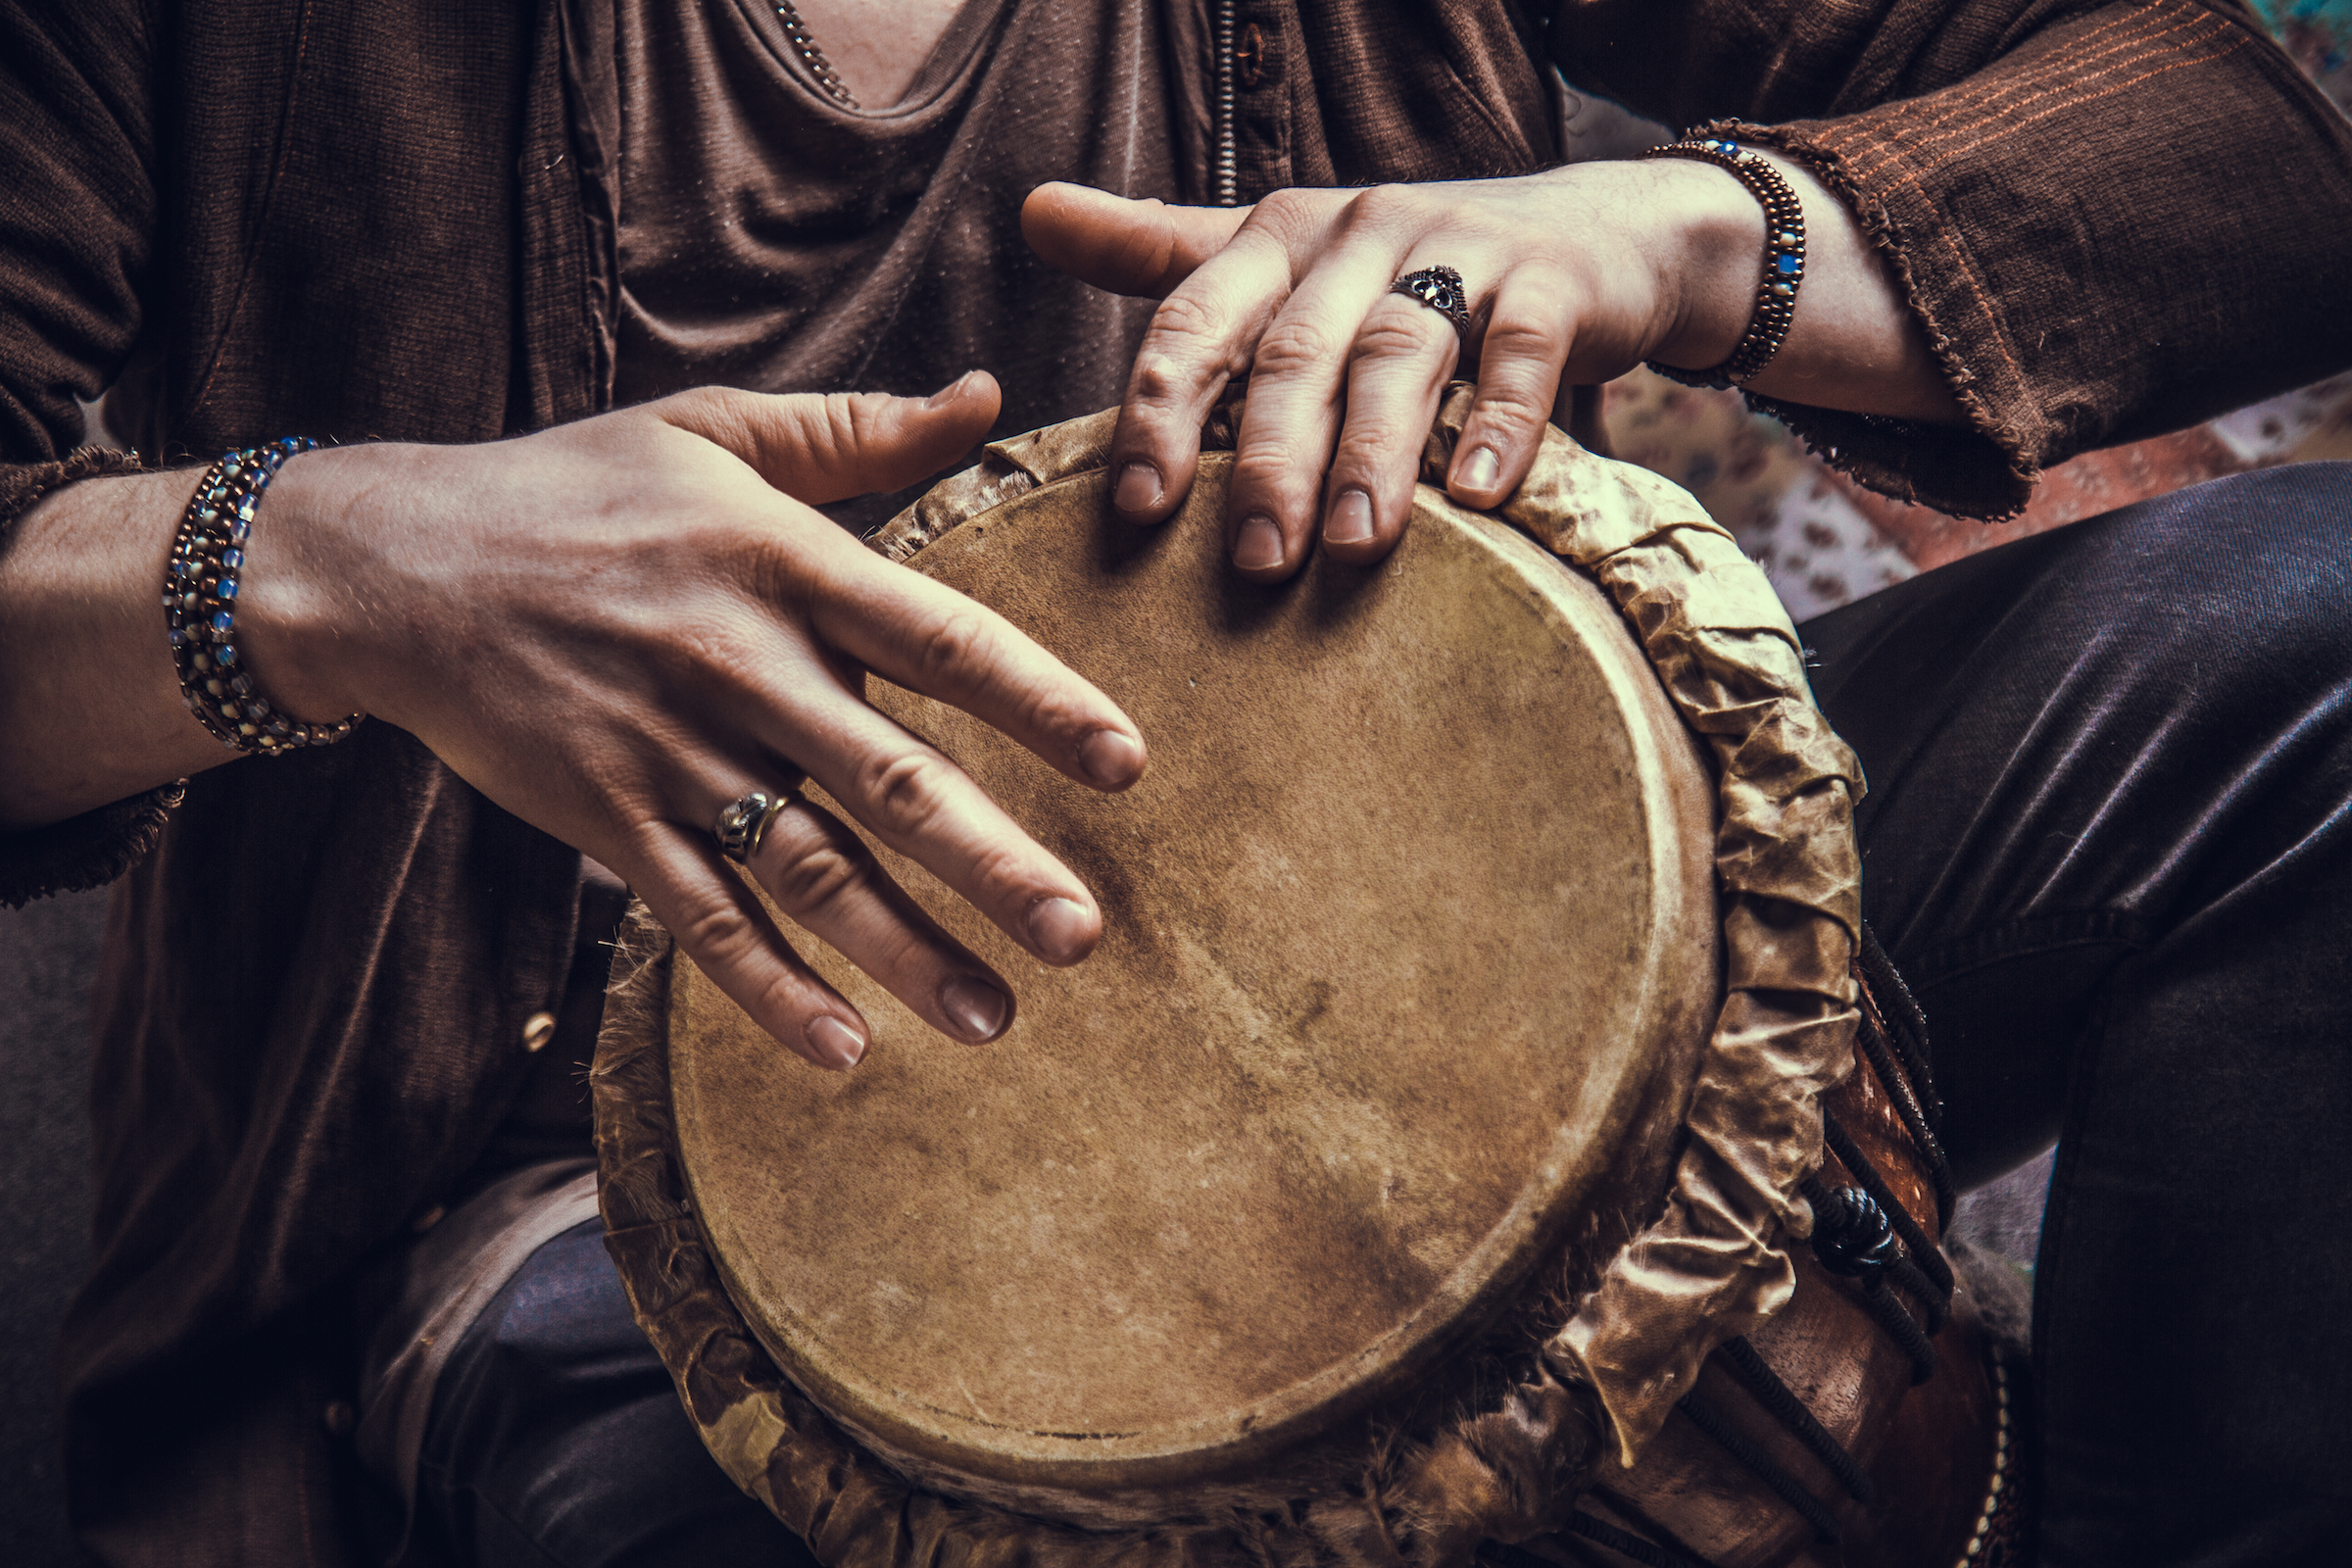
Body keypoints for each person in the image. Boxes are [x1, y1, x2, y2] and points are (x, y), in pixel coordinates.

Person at [0, 0, 2347, 1564]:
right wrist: (303, 558)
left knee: (2309, 658)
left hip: (1494, 912)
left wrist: (1687, 229)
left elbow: (2273, 139)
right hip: (563, 1215)